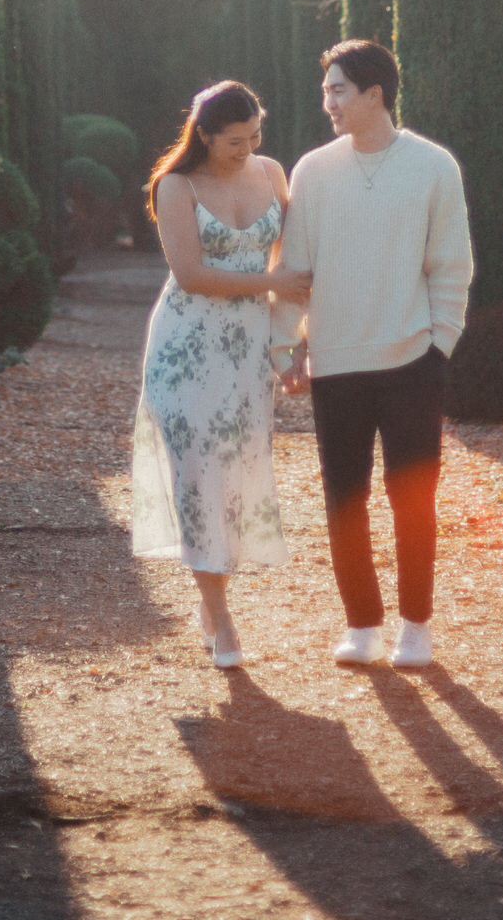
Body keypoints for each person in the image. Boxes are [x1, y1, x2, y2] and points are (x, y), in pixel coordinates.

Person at [274, 39, 474, 669]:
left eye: (337, 90)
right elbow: (295, 268)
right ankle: (362, 625)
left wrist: (440, 343)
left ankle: (416, 626)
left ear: (373, 94)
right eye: (326, 90)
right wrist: (285, 348)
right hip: (335, 363)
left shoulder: (434, 166)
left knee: (412, 497)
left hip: (413, 361)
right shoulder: (311, 171)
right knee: (344, 496)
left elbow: (451, 265)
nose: (326, 102)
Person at [129, 81, 313, 667]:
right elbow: (190, 274)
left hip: (249, 346)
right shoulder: (176, 185)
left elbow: (293, 259)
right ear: (204, 134)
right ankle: (223, 616)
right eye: (236, 140)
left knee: (234, 470)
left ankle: (211, 601)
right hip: (185, 344)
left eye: (256, 136)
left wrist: (291, 344)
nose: (248, 148)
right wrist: (270, 284)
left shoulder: (273, 173)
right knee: (196, 469)